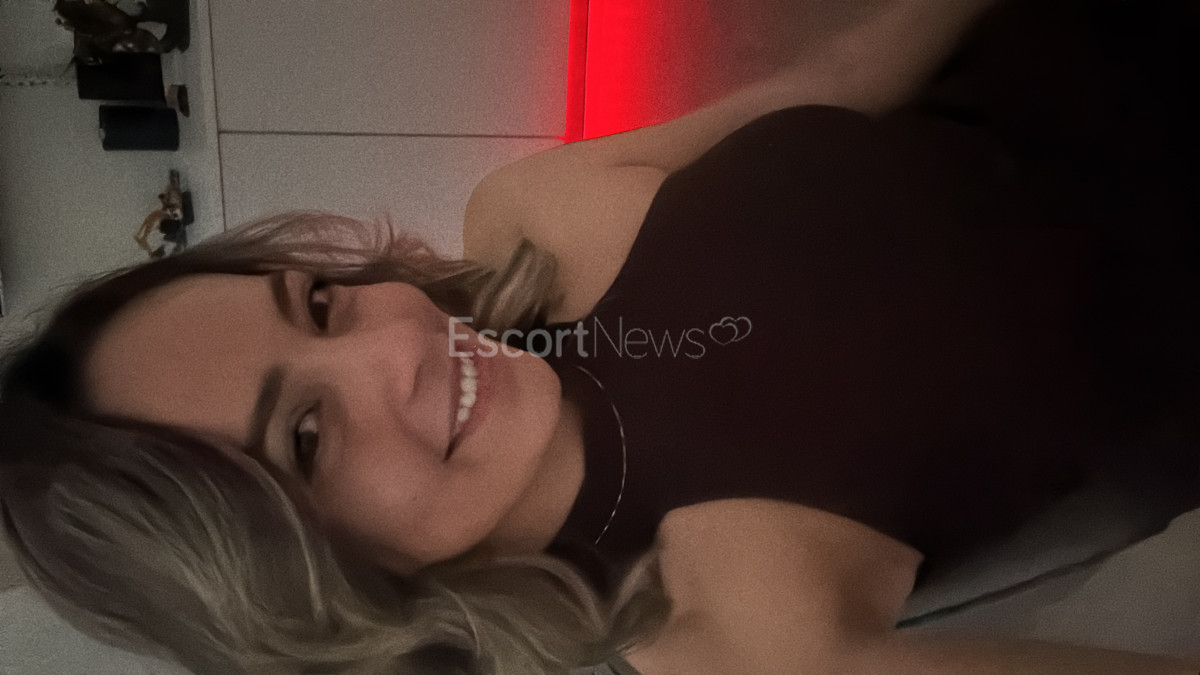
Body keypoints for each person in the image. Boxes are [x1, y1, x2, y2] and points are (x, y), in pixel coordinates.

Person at [3, 0, 1200, 673]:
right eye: (308, 438)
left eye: (319, 304)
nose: (394, 348)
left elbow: (843, 74)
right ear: (307, 587)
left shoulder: (525, 219)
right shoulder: (717, 630)